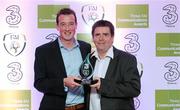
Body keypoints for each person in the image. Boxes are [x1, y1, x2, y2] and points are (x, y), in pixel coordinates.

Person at [34, 8, 91, 110]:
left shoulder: (86, 48)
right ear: (57, 26)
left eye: (71, 24)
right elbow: (39, 83)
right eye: (63, 24)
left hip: (83, 107)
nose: (67, 28)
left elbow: (88, 76)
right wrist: (63, 82)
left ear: (76, 25)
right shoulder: (43, 51)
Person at [87, 20, 141, 110]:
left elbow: (134, 89)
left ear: (112, 37)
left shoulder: (127, 59)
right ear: (93, 38)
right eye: (97, 35)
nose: (101, 38)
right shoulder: (89, 60)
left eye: (105, 34)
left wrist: (103, 85)